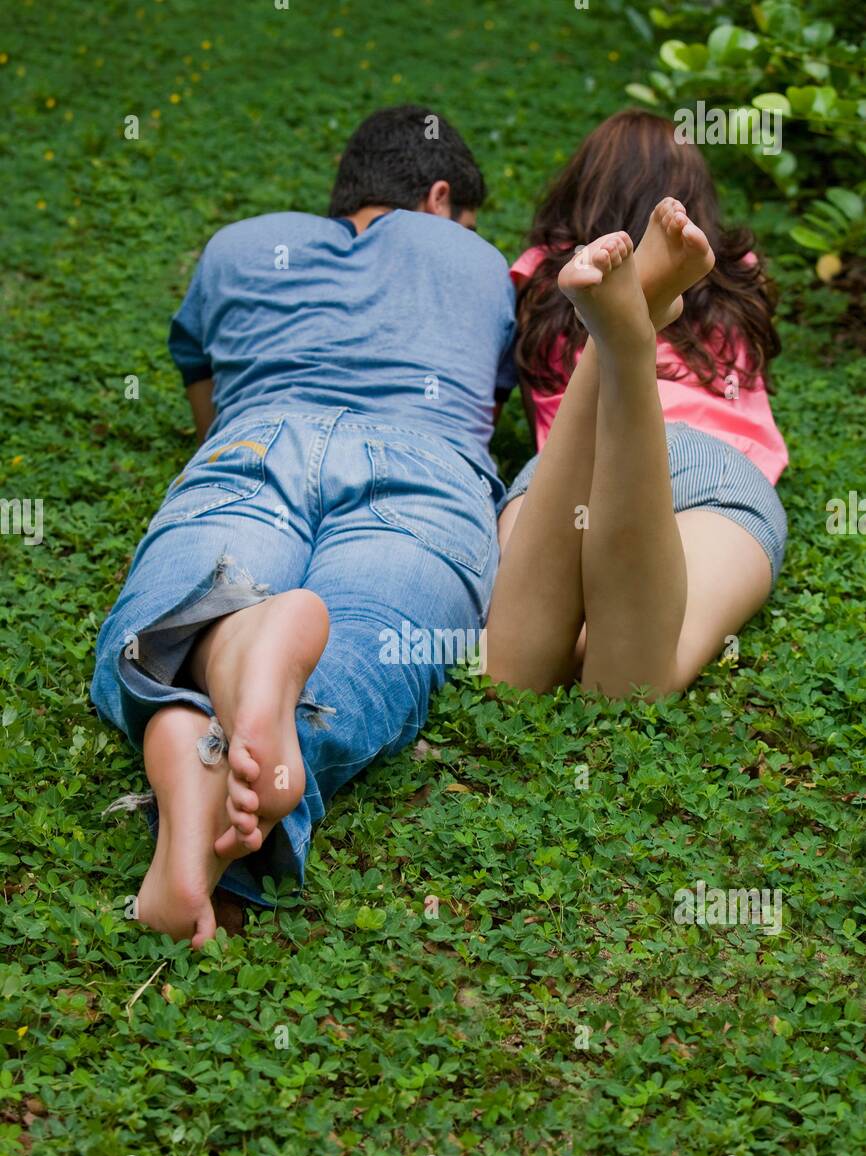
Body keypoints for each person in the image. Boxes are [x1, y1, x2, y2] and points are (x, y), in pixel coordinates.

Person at [91, 105, 517, 946]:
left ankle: (207, 673)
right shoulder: (475, 261)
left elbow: (204, 405)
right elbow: (489, 403)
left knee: (158, 620)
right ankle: (242, 729)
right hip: (420, 464)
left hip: (256, 440)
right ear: (441, 200)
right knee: (370, 643)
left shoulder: (240, 246)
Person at [485, 109, 788, 698]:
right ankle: (630, 337)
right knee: (628, 685)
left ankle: (616, 342)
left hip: (576, 459)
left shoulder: (544, 277)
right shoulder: (737, 277)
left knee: (509, 677)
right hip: (719, 463)